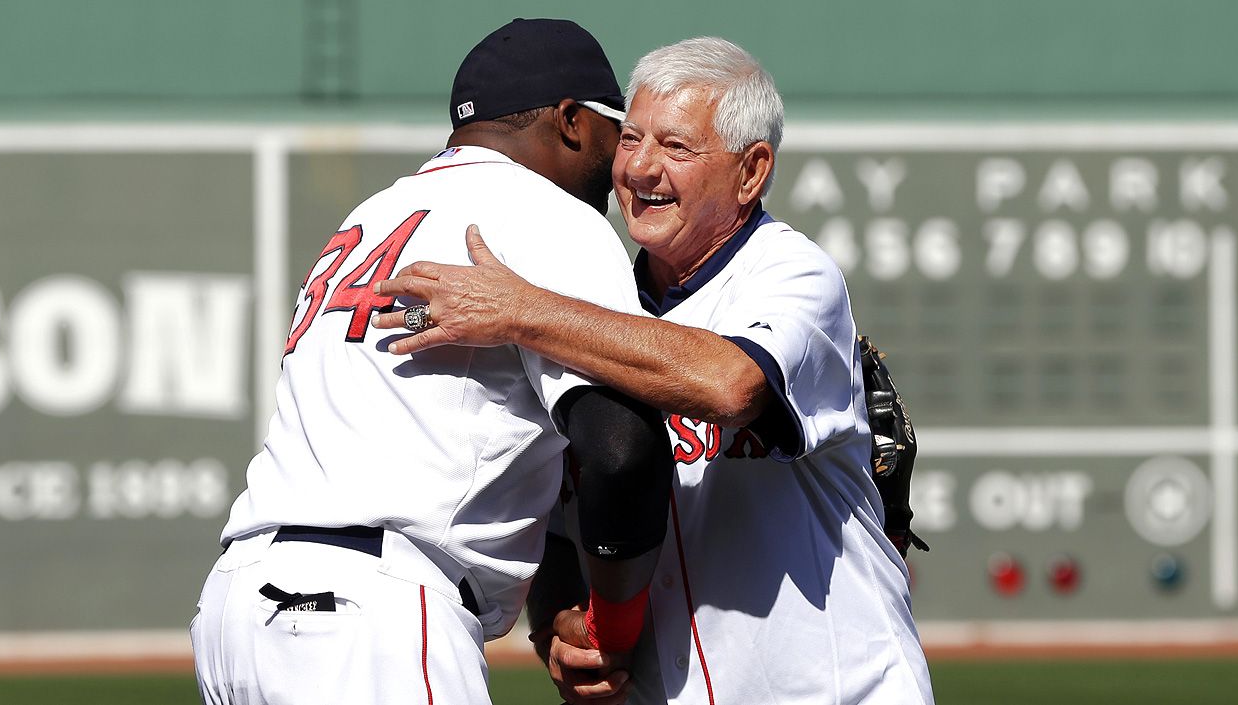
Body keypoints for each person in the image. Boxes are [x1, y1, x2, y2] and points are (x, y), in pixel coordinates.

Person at [372, 37, 935, 704]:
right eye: (632, 138)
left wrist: (520, 310)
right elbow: (553, 503)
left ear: (750, 172)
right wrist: (554, 620)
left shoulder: (789, 272)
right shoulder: (595, 304)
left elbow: (728, 384)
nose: (639, 167)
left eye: (676, 148)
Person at [190, 18, 674, 705]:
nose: (623, 157)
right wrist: (611, 625)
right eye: (615, 131)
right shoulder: (547, 213)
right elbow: (621, 448)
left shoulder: (369, 218)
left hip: (238, 609)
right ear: (571, 121)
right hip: (369, 617)